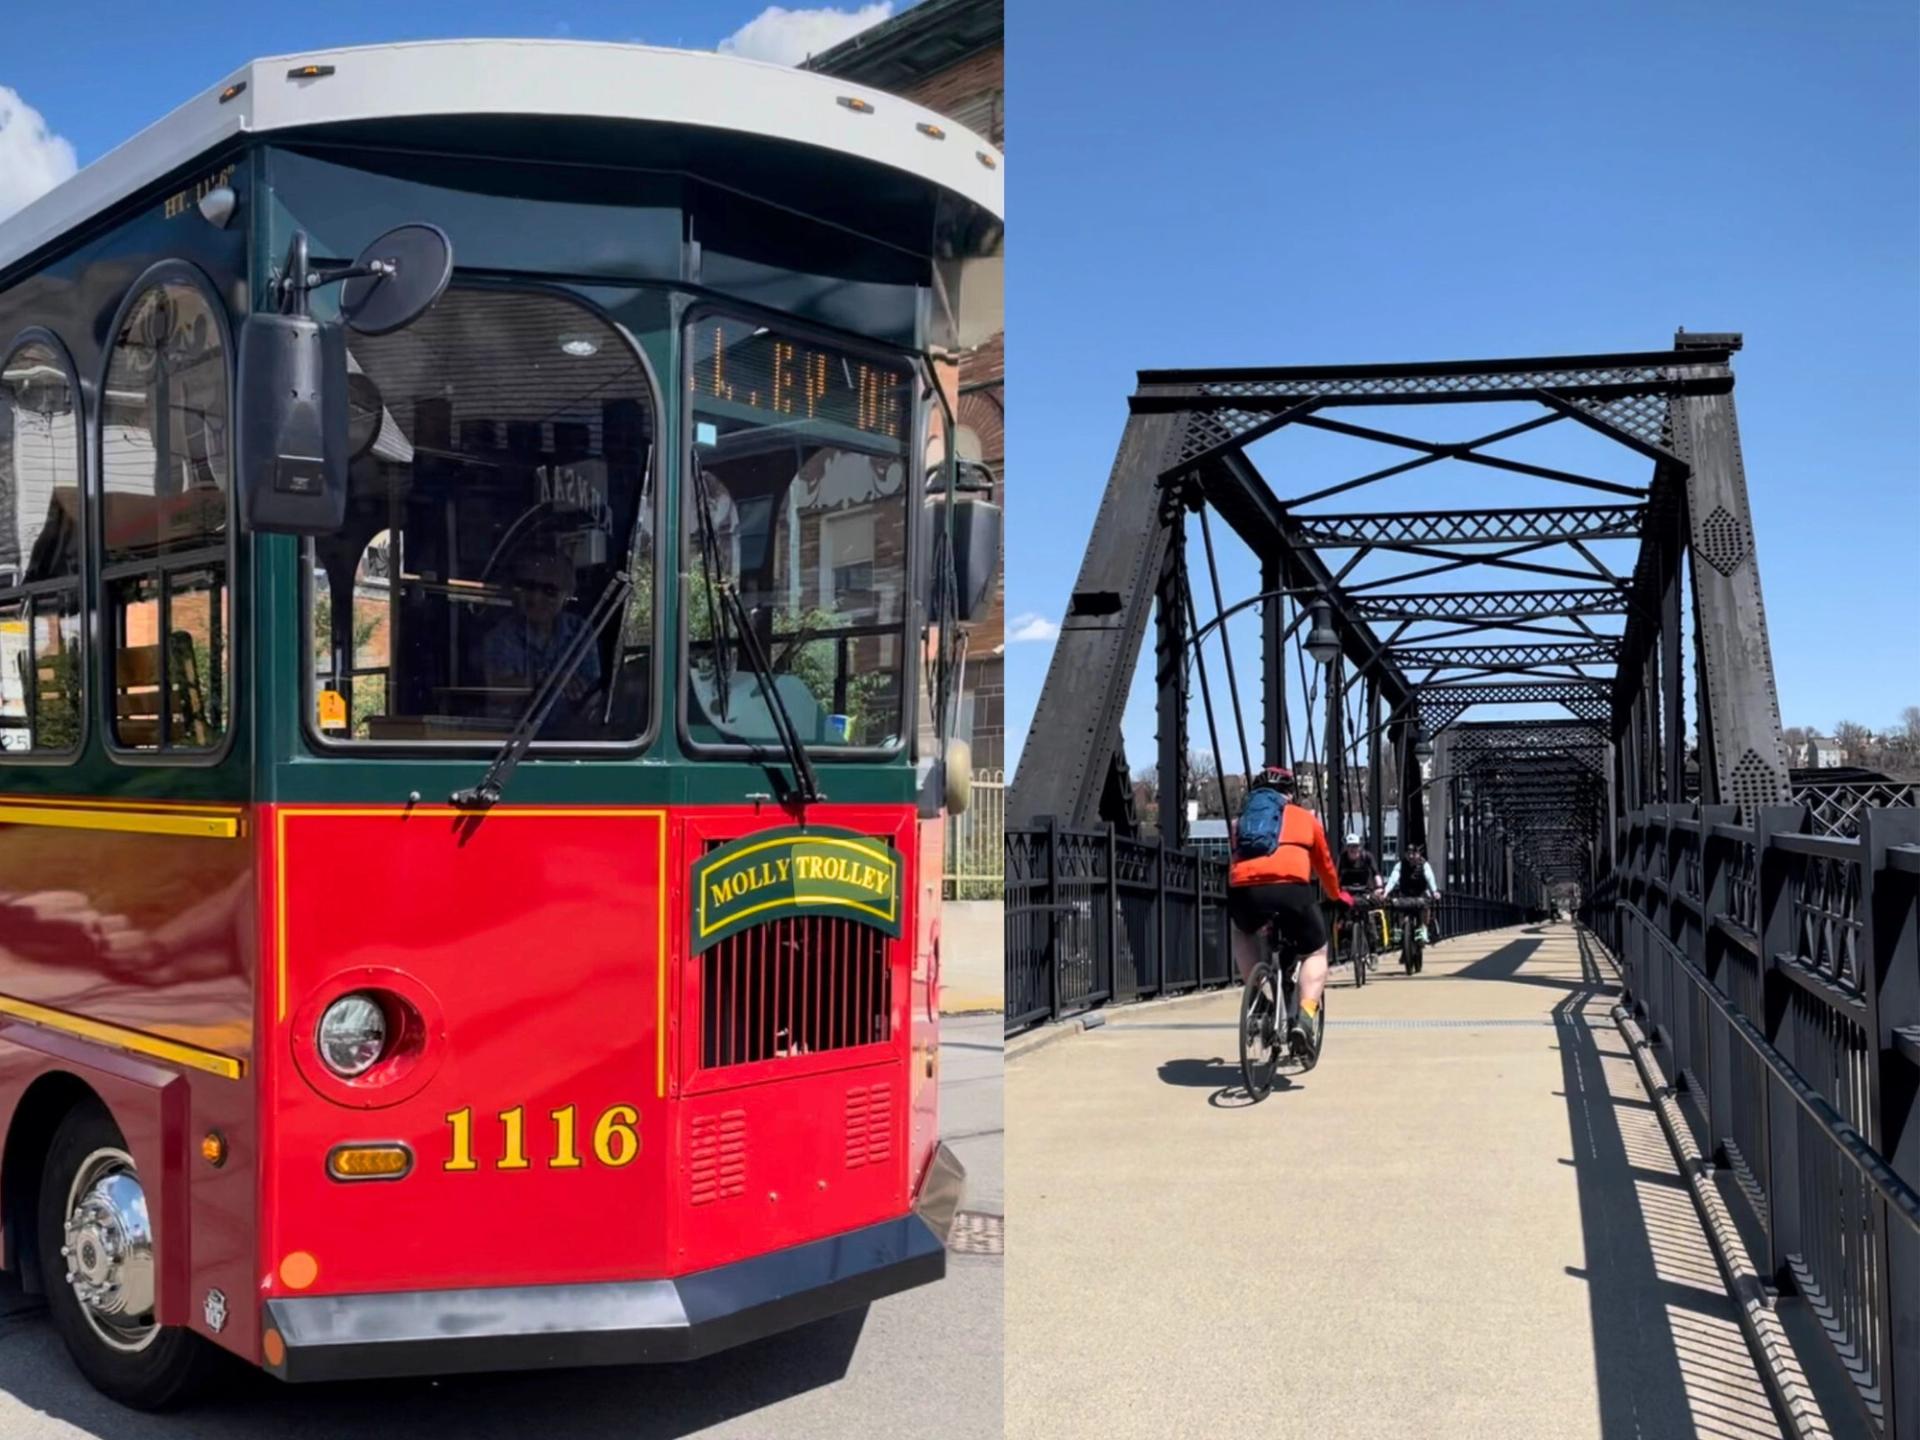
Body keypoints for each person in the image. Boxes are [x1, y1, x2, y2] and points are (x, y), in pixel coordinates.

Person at [1227, 765, 1350, 1059]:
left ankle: (1257, 997)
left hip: (1245, 890)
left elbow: (1235, 857)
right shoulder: (1305, 818)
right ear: (1290, 794)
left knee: (1241, 931)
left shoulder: (1241, 821)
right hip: (1291, 892)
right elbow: (1325, 866)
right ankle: (1306, 1017)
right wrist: (1336, 895)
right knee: (1316, 952)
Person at [483, 549, 601, 726]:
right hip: (512, 740)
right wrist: (549, 680)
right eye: (529, 587)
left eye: (549, 590)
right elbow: (497, 692)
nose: (536, 598)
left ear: (567, 595)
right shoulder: (499, 636)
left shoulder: (580, 631)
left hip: (570, 740)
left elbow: (592, 692)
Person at [1383, 842, 1441, 945]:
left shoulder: (1424, 865)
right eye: (1408, 853)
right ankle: (1398, 930)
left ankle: (1423, 929)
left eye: (1413, 854)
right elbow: (1393, 879)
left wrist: (1434, 891)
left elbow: (1430, 878)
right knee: (1397, 907)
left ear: (1418, 854)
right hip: (1405, 894)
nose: (1411, 856)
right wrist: (1386, 891)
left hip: (1420, 893)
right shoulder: (1400, 865)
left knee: (1426, 906)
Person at [1336, 832, 1383, 955]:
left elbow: (1376, 873)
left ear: (1360, 847)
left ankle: (1373, 951)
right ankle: (1343, 945)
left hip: (1365, 889)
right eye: (1350, 846)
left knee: (1369, 919)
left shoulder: (1367, 857)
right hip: (1347, 890)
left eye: (1356, 846)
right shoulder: (1342, 858)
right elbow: (1335, 875)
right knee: (1343, 916)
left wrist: (1379, 887)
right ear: (1346, 847)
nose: (1353, 849)